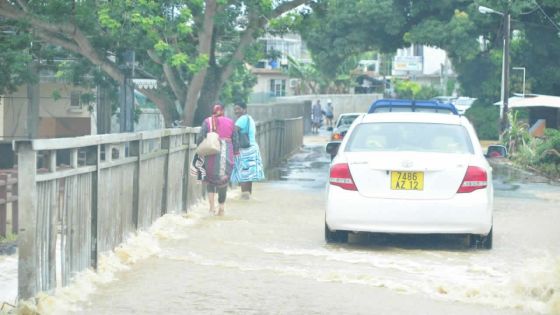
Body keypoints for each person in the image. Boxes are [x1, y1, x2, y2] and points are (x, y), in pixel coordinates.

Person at [197, 103, 238, 216]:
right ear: (223, 111)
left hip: (211, 153)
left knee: (210, 181)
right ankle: (221, 209)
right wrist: (236, 153)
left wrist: (200, 148)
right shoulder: (230, 122)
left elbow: (200, 137)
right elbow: (235, 140)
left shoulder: (207, 121)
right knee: (223, 181)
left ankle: (211, 208)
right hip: (226, 154)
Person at [230, 102, 265, 200]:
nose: (236, 111)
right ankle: (247, 197)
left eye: (238, 109)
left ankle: (244, 199)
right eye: (235, 109)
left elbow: (233, 131)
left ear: (244, 109)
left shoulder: (242, 119)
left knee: (243, 175)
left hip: (245, 150)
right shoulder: (250, 119)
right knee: (249, 176)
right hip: (253, 148)